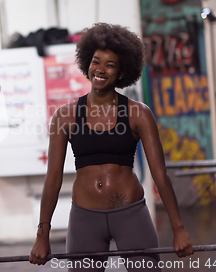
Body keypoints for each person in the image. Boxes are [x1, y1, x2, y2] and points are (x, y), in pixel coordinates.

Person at [29, 23, 194, 271]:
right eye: (96, 61)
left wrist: (179, 229)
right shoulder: (66, 116)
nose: (101, 69)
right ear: (87, 65)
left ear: (121, 73)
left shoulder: (139, 113)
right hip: (84, 218)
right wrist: (43, 234)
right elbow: (53, 178)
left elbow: (160, 174)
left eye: (110, 64)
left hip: (130, 214)